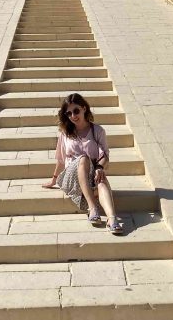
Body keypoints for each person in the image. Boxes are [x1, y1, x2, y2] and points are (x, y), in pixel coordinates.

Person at [43, 93, 124, 234]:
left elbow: (105, 156)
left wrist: (99, 168)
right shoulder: (65, 133)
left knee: (101, 178)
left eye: (76, 111)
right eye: (68, 113)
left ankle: (112, 219)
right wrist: (54, 180)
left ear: (84, 108)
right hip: (71, 178)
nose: (73, 116)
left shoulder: (98, 131)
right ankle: (93, 208)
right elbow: (61, 160)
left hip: (90, 175)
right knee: (83, 159)